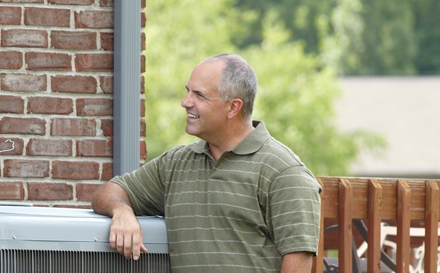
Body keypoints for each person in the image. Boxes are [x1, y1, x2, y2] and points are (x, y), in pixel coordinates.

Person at [92, 53, 321, 272]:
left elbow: (298, 264)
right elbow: (108, 192)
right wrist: (122, 211)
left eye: (199, 95)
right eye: (187, 91)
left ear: (233, 107)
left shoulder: (285, 173)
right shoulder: (175, 164)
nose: (185, 102)